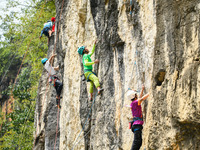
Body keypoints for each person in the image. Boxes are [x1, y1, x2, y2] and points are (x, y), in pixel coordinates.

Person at [126, 85, 149, 150]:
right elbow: (141, 99)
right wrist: (150, 92)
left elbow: (139, 98)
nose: (136, 95)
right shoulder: (136, 102)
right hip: (137, 125)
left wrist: (142, 90)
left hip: (135, 125)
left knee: (139, 141)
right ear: (134, 96)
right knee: (137, 141)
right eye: (135, 94)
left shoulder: (133, 103)